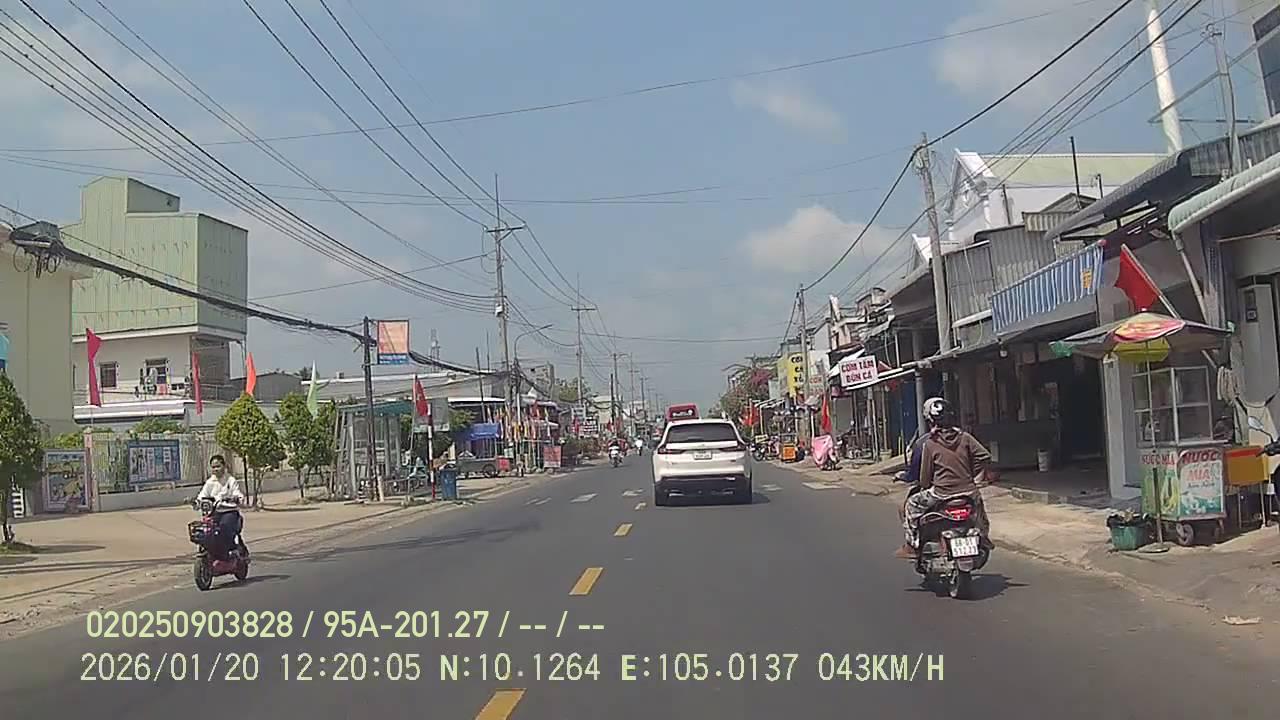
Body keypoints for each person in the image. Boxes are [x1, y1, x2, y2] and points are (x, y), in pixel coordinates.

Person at [896, 398, 993, 560]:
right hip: (969, 491)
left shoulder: (930, 444)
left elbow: (925, 479)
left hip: (941, 494)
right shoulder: (965, 437)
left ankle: (912, 545)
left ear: (930, 421)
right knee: (980, 515)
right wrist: (970, 473)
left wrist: (930, 482)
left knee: (910, 506)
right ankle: (984, 537)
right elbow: (984, 456)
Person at [197, 454, 245, 558]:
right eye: (213, 467)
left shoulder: (230, 480)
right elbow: (202, 496)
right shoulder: (210, 482)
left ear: (224, 466)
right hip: (214, 512)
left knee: (224, 527)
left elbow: (238, 495)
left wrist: (234, 498)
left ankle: (232, 549)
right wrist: (197, 502)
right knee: (204, 531)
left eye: (218, 466)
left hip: (229, 512)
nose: (215, 469)